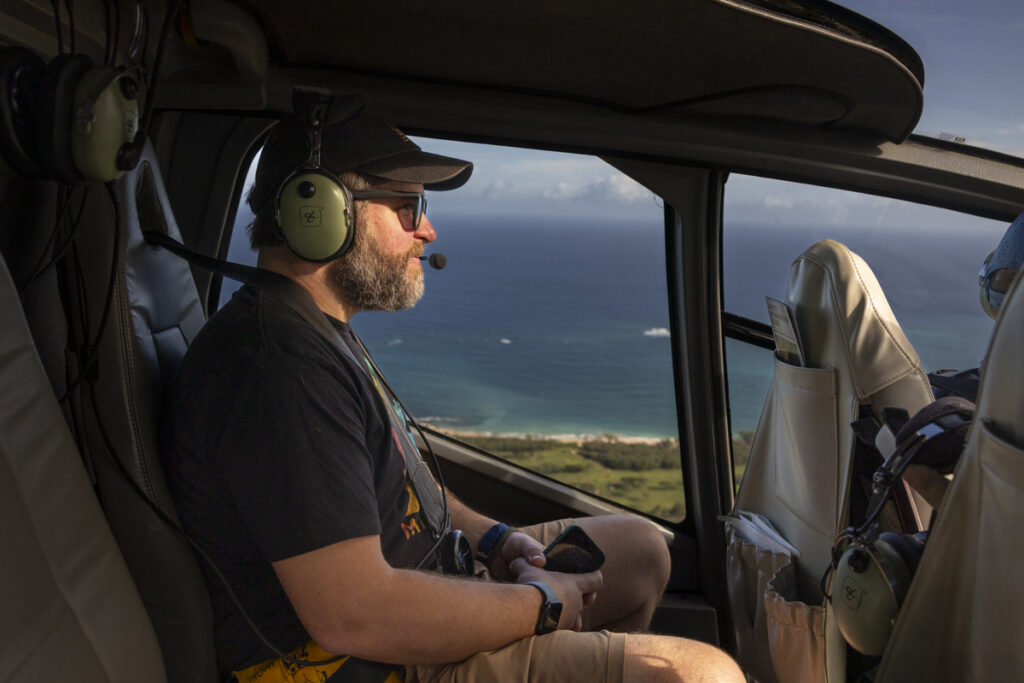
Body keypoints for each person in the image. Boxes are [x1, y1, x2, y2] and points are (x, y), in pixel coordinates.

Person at [164, 93, 743, 683]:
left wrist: (495, 541)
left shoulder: (316, 333)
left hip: (426, 587)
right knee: (702, 675)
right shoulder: (275, 369)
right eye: (409, 207)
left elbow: (410, 499)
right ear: (320, 213)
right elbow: (354, 616)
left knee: (643, 550)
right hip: (369, 662)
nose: (429, 231)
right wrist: (540, 606)